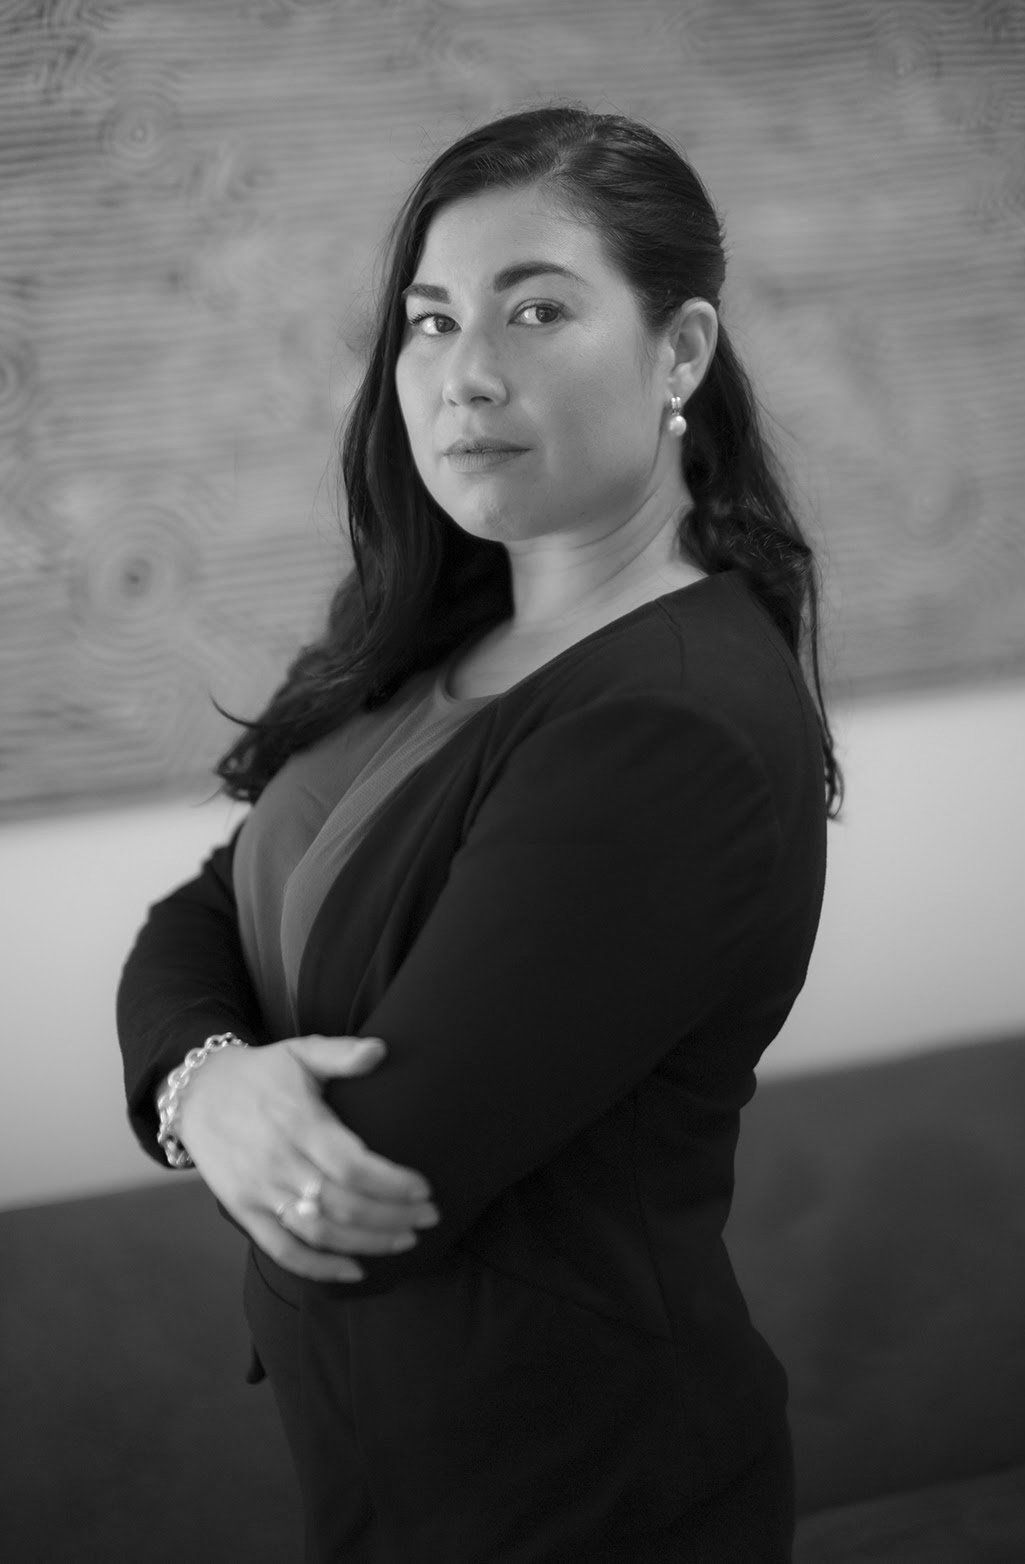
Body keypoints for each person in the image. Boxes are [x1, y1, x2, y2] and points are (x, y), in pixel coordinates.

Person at [117, 104, 842, 1563]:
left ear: (682, 351)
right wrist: (205, 1083)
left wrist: (221, 1099)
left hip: (578, 1498)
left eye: (538, 309)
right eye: (432, 320)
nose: (466, 373)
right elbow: (197, 911)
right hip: (402, 1472)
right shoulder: (451, 636)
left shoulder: (668, 727)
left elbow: (370, 1184)